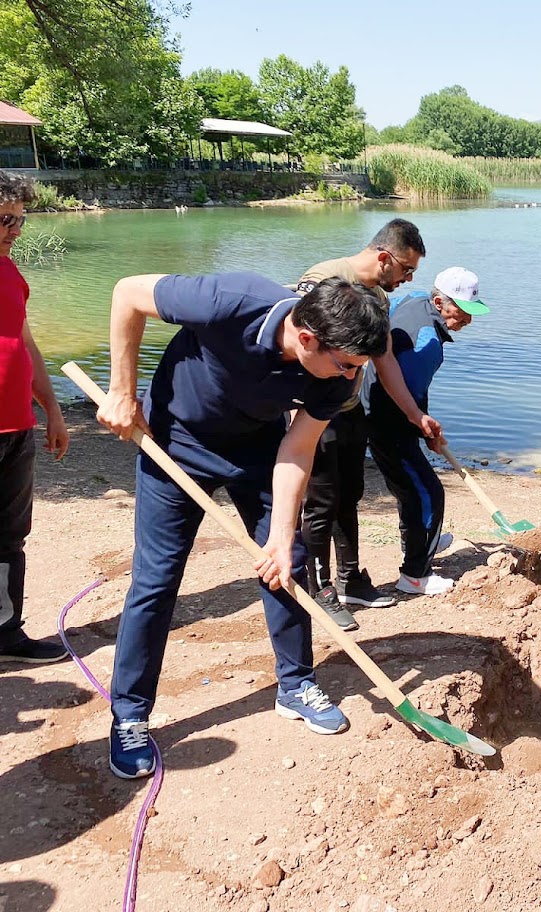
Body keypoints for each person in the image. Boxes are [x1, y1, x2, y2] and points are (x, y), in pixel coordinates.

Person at [96, 273, 388, 779]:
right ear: (307, 338)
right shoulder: (227, 302)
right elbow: (126, 292)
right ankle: (130, 714)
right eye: (344, 365)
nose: (349, 378)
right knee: (157, 578)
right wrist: (121, 391)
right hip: (176, 442)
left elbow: (297, 449)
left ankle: (295, 684)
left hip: (258, 448)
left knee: (289, 561)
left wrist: (278, 537)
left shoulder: (344, 373)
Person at [295, 220, 433, 630]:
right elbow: (298, 347)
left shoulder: (377, 297)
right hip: (315, 412)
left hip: (351, 408)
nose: (407, 279)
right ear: (385, 258)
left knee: (349, 495)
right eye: (406, 269)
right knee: (320, 504)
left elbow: (384, 359)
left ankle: (351, 578)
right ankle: (319, 590)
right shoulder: (322, 279)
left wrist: (414, 414)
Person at [365, 267, 489, 596]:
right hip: (388, 420)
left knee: (411, 488)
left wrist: (424, 423)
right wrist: (424, 426)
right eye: (462, 311)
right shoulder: (428, 345)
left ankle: (421, 539)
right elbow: (408, 393)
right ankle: (416, 574)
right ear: (439, 301)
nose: (468, 320)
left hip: (375, 406)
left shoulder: (414, 298)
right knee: (427, 493)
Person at [0, 171, 70, 664]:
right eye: (5, 220)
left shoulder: (9, 271)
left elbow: (25, 344)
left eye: (19, 221)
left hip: (16, 427)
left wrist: (52, 408)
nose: (15, 230)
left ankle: (6, 633)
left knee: (9, 535)